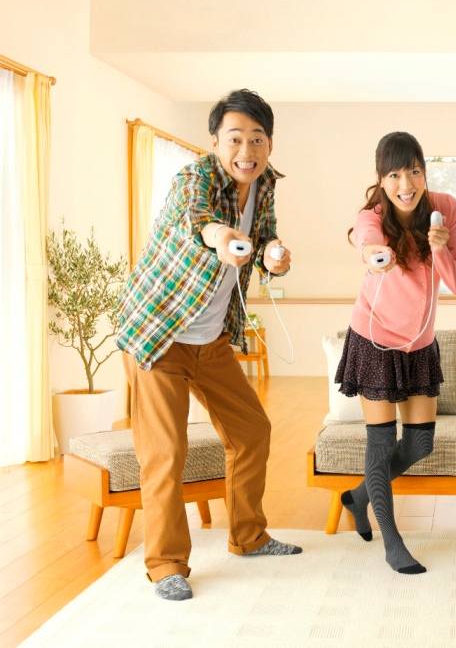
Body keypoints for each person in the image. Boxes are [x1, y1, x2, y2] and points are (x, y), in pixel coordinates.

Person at [116, 89, 301, 601]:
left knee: (252, 431)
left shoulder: (263, 184)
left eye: (257, 139)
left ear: (269, 144)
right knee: (165, 451)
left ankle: (249, 537)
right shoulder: (193, 178)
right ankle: (166, 565)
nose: (247, 150)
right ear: (215, 141)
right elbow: (198, 222)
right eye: (235, 138)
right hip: (158, 334)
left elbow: (264, 237)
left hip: (211, 339)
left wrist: (273, 255)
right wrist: (221, 238)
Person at [336, 131, 456, 574]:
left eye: (413, 171)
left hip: (420, 346)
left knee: (419, 444)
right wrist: (376, 253)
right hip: (375, 342)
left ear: (424, 171)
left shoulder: (447, 209)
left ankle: (358, 497)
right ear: (381, 178)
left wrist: (440, 248)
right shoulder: (372, 217)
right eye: (393, 175)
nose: (405, 184)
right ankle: (393, 543)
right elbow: (367, 241)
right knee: (380, 444)